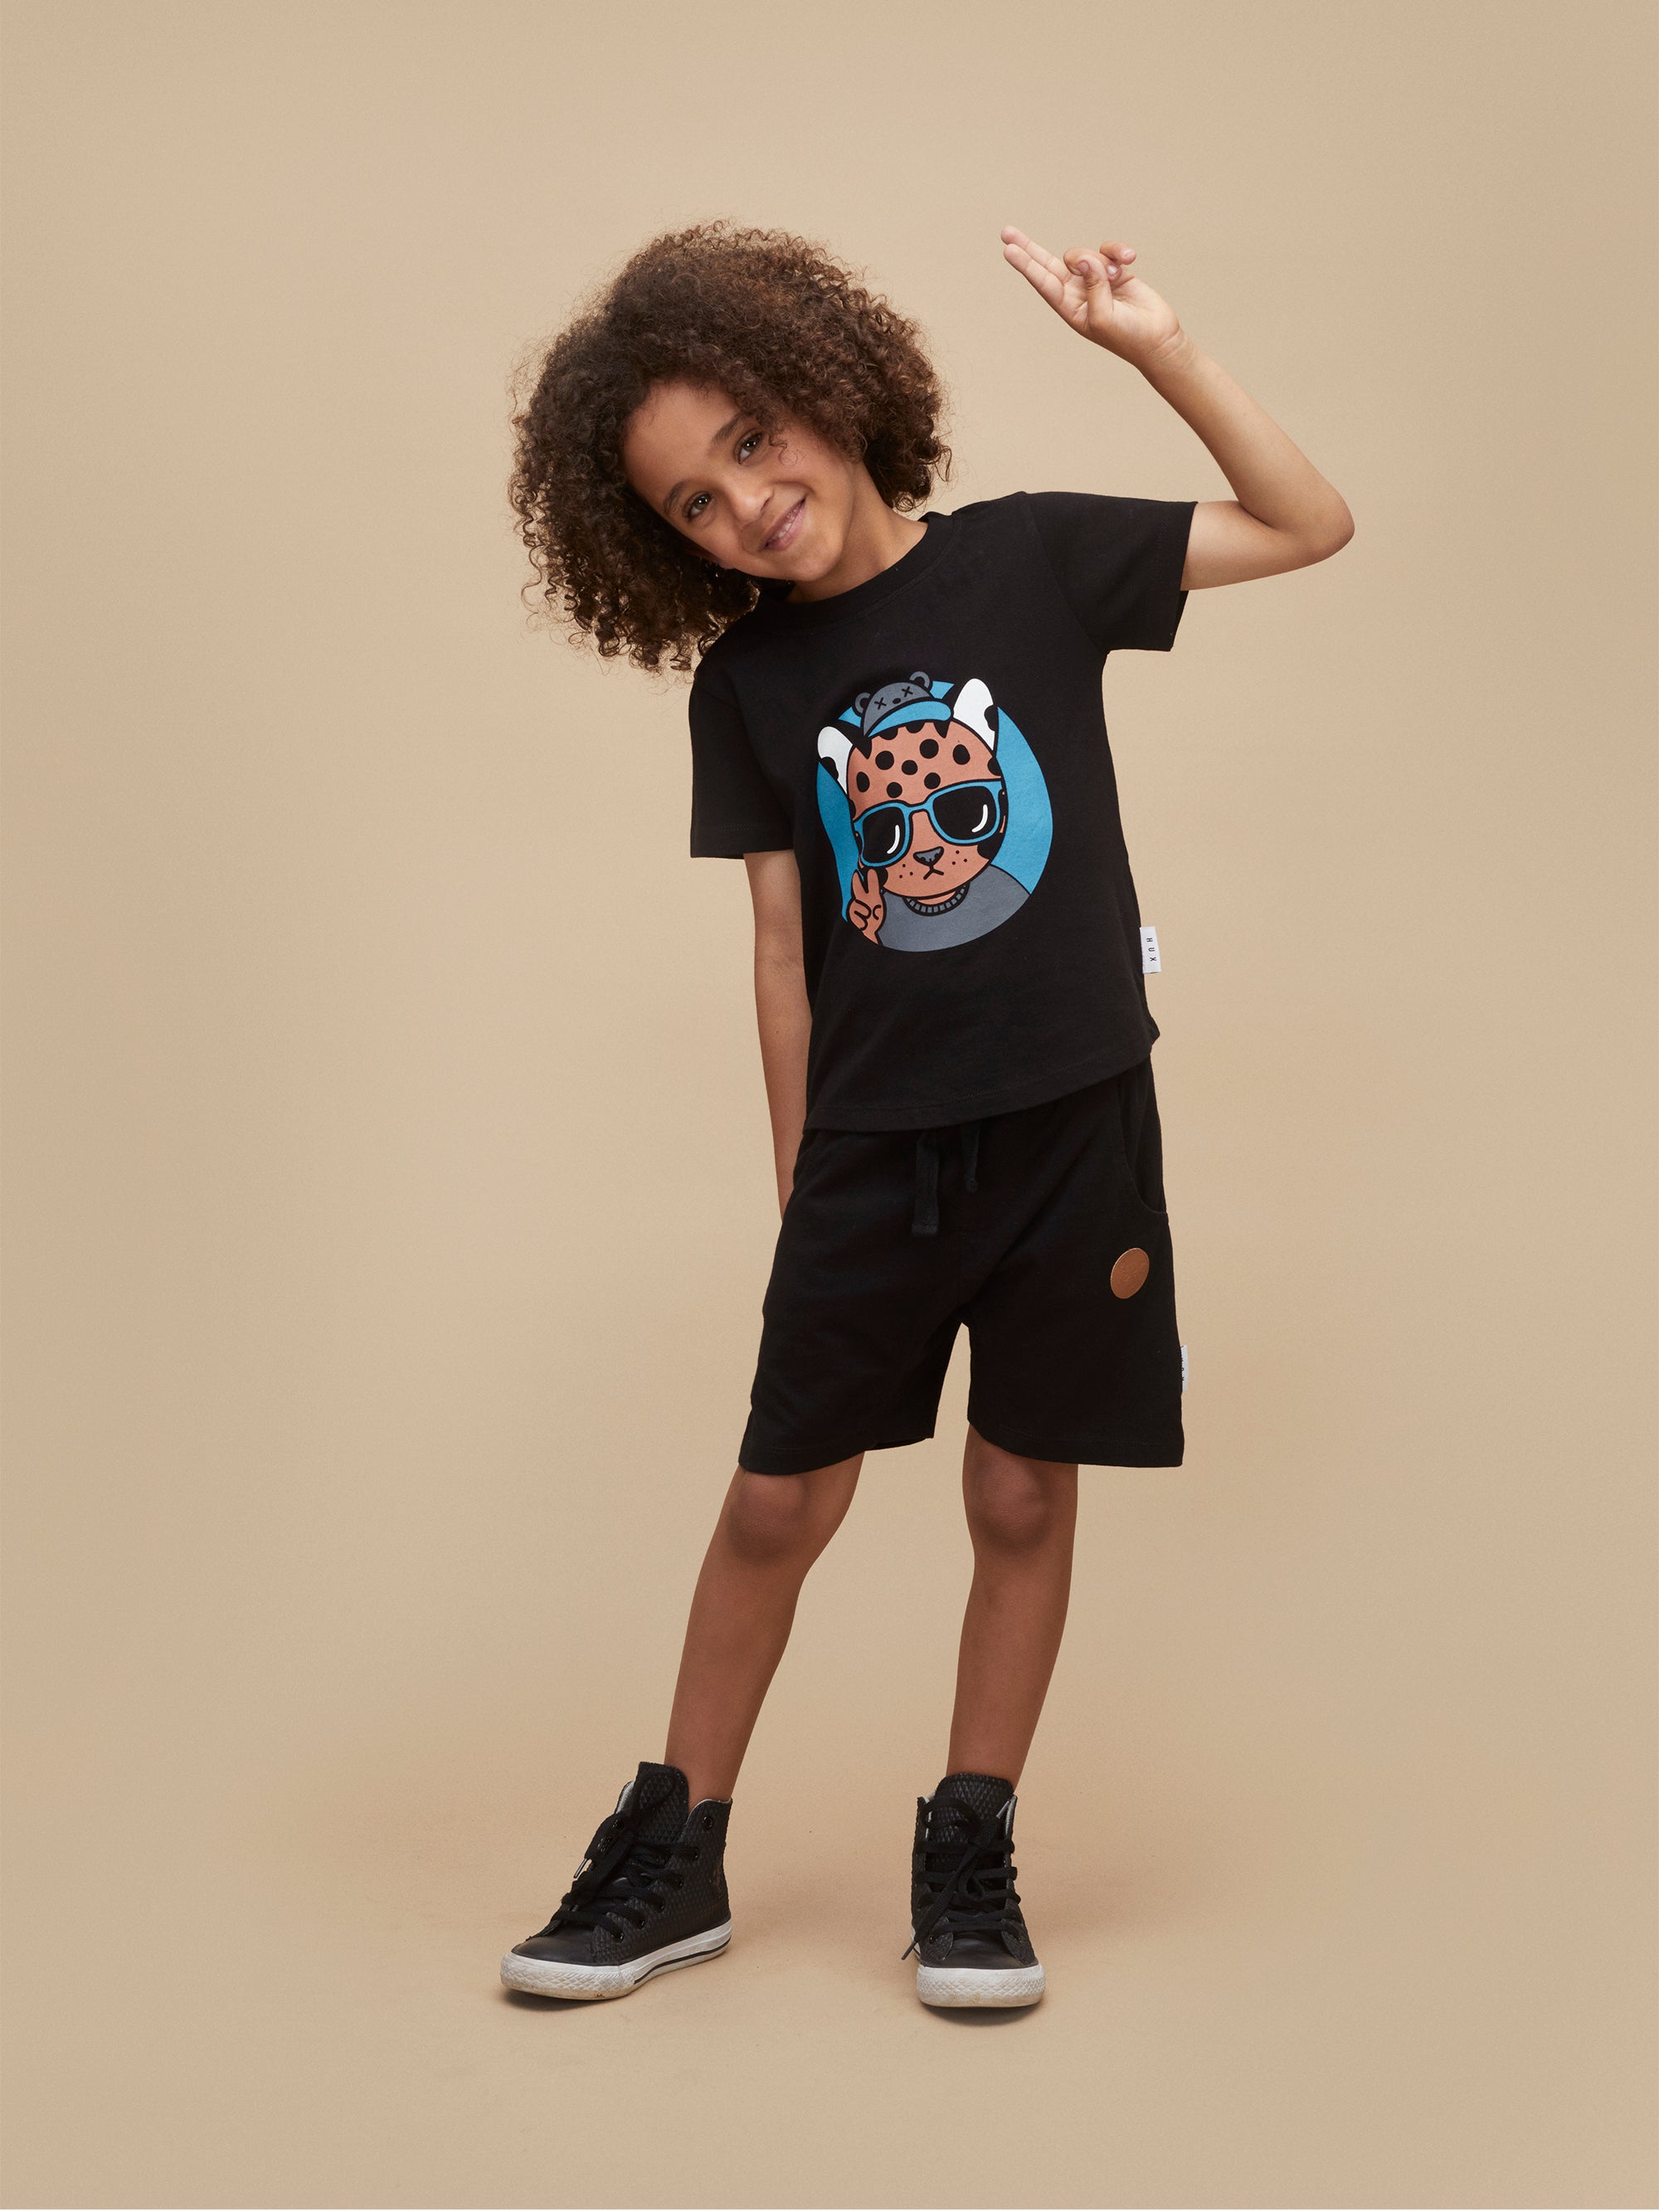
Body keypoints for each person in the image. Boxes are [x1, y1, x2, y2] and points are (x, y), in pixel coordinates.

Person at [499, 222, 1352, 2009]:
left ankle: (968, 1848)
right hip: (873, 1157)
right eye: (691, 503)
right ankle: (673, 1850)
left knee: (1021, 1492)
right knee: (773, 1504)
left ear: (824, 390)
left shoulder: (1032, 559)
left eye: (750, 441)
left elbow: (1306, 521)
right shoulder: (748, 688)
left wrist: (1157, 350)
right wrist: (803, 1178)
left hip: (1073, 1128)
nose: (745, 505)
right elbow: (781, 949)